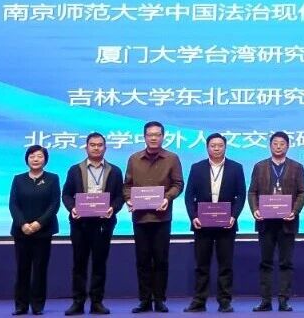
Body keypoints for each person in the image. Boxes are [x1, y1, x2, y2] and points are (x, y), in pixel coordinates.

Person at [124, 121, 184, 314]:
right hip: (140, 218)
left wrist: (167, 198)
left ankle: (159, 300)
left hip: (162, 218)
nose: (153, 138)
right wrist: (128, 200)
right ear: (144, 137)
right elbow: (127, 185)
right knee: (142, 260)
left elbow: (178, 184)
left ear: (163, 137)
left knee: (160, 260)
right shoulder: (134, 159)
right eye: (150, 134)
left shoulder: (172, 158)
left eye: (157, 134)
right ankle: (144, 300)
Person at [62, 132, 124, 316]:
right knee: (79, 264)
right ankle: (78, 302)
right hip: (80, 224)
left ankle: (97, 302)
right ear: (86, 147)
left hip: (103, 225)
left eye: (100, 145)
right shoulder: (75, 170)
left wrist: (113, 208)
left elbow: (120, 196)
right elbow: (66, 194)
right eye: (92, 145)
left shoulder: (115, 171)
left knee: (99, 264)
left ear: (105, 148)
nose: (96, 148)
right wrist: (72, 208)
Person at [183, 133, 246, 313]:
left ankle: (225, 301)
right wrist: (193, 216)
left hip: (226, 224)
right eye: (213, 145)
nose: (216, 148)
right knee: (201, 265)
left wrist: (234, 216)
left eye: (220, 145)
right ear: (207, 148)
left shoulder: (236, 168)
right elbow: (189, 196)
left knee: (225, 265)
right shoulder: (197, 168)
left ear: (225, 147)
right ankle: (199, 301)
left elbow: (241, 194)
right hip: (202, 224)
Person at [247, 131, 304, 312]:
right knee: (265, 262)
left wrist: (294, 211)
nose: (278, 146)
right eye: (275, 143)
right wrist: (255, 210)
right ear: (270, 145)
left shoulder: (297, 167)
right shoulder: (260, 166)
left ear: (288, 146)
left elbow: (302, 192)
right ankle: (265, 301)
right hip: (265, 222)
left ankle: (283, 300)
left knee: (285, 263)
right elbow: (252, 192)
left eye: (282, 143)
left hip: (287, 223)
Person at [10, 145, 60, 316]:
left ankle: (37, 305)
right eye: (32, 156)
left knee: (40, 269)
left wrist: (39, 223)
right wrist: (23, 224)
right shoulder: (18, 179)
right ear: (27, 159)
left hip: (43, 232)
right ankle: (21, 305)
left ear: (45, 159)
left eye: (39, 156)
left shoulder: (53, 178)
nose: (35, 159)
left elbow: (54, 204)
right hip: (21, 231)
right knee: (22, 269)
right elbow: (13, 204)